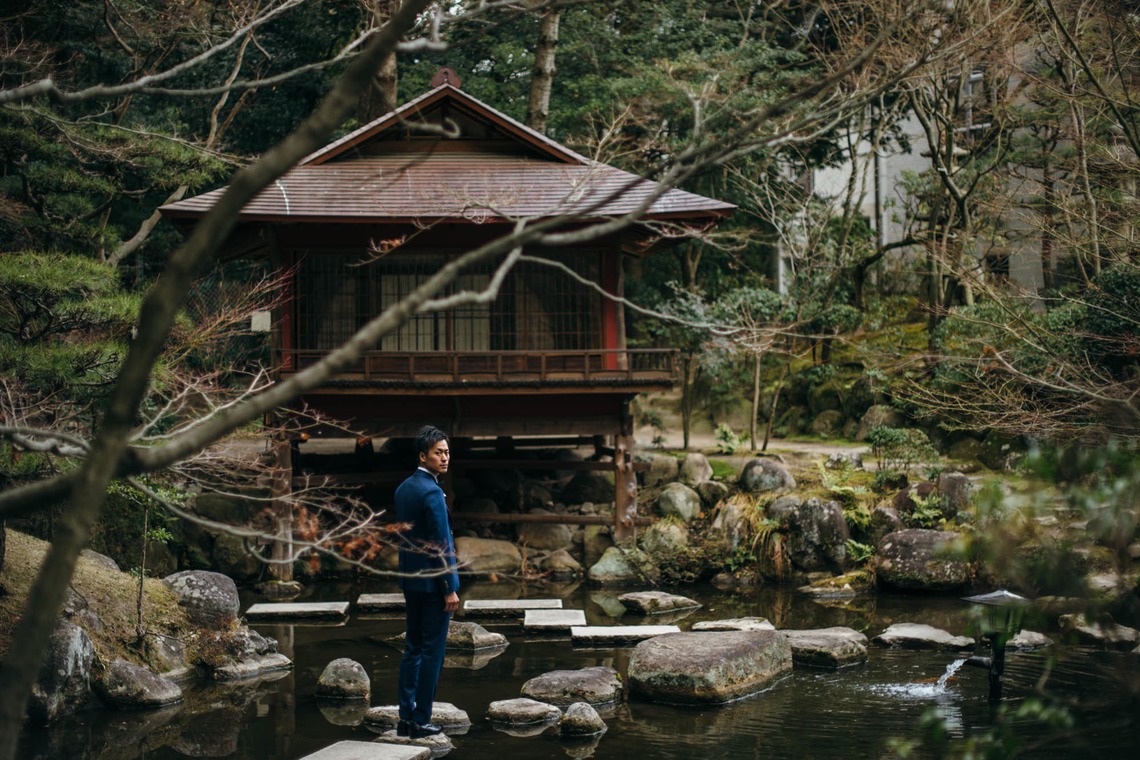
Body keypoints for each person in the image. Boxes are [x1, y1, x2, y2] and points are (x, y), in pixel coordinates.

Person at [394, 425, 460, 738]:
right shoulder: (431, 492)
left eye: (447, 452)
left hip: (411, 580)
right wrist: (449, 587)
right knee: (432, 652)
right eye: (438, 453)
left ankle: (405, 719)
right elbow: (439, 544)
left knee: (413, 649)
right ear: (423, 456)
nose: (445, 458)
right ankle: (421, 720)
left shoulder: (404, 488)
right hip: (434, 585)